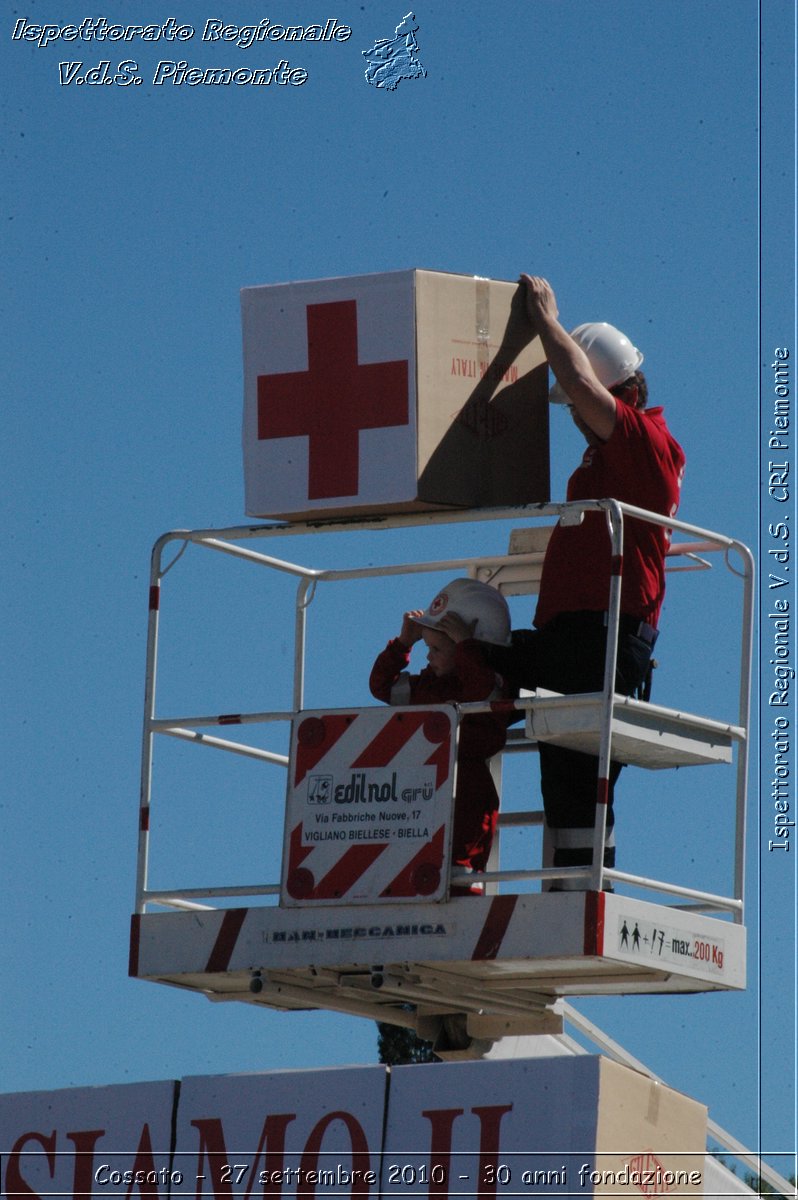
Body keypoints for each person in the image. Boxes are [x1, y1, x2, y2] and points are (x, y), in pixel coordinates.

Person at [483, 275, 686, 889]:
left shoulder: (642, 441)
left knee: (574, 779)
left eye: (576, 403)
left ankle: (580, 895)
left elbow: (576, 382)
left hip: (604, 637)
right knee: (464, 663)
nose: (570, 411)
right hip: (573, 635)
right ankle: (480, 860)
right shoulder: (613, 453)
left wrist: (546, 319)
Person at [369, 578, 512, 894]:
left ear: (472, 648)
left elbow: (486, 694)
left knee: (459, 881)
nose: (428, 656)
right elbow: (383, 687)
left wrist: (466, 649)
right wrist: (403, 644)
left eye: (437, 648)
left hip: (466, 800)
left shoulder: (485, 684)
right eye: (426, 646)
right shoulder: (426, 687)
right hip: (419, 799)